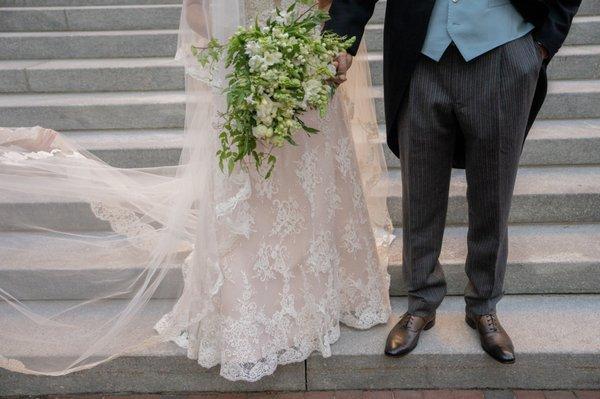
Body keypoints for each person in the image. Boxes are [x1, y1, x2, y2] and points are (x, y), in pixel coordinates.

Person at [0, 0, 393, 382]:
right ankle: (253, 319)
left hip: (308, 68)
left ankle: (326, 294)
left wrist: (307, 46)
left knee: (315, 187)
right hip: (252, 72)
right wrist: (253, 51)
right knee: (256, 196)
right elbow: (196, 12)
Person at [325, 0, 581, 363]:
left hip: (504, 51)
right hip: (420, 57)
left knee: (493, 195)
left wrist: (543, 43)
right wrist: (339, 40)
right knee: (420, 191)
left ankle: (484, 305)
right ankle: (421, 302)